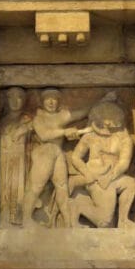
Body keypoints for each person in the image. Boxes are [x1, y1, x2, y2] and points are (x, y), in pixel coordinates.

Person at [22, 89, 101, 227]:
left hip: (58, 153)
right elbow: (44, 135)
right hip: (45, 151)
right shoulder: (38, 118)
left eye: (54, 99)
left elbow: (81, 113)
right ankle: (26, 219)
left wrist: (101, 101)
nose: (51, 102)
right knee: (36, 186)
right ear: (42, 102)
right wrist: (65, 131)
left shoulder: (61, 116)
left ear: (58, 102)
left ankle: (68, 223)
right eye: (48, 99)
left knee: (62, 188)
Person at [67, 100, 135, 228]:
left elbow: (124, 162)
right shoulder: (90, 137)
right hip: (95, 178)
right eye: (104, 118)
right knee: (104, 222)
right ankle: (78, 206)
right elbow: (76, 157)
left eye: (111, 118)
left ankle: (123, 220)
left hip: (113, 177)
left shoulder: (124, 138)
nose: (107, 123)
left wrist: (111, 175)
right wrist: (87, 174)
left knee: (131, 183)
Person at [0, 87, 32, 227]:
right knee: (5, 187)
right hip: (5, 158)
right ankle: (4, 215)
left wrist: (23, 130)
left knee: (18, 186)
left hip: (20, 157)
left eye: (18, 97)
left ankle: (17, 218)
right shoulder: (2, 120)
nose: (14, 101)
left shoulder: (26, 119)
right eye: (11, 97)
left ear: (24, 101)